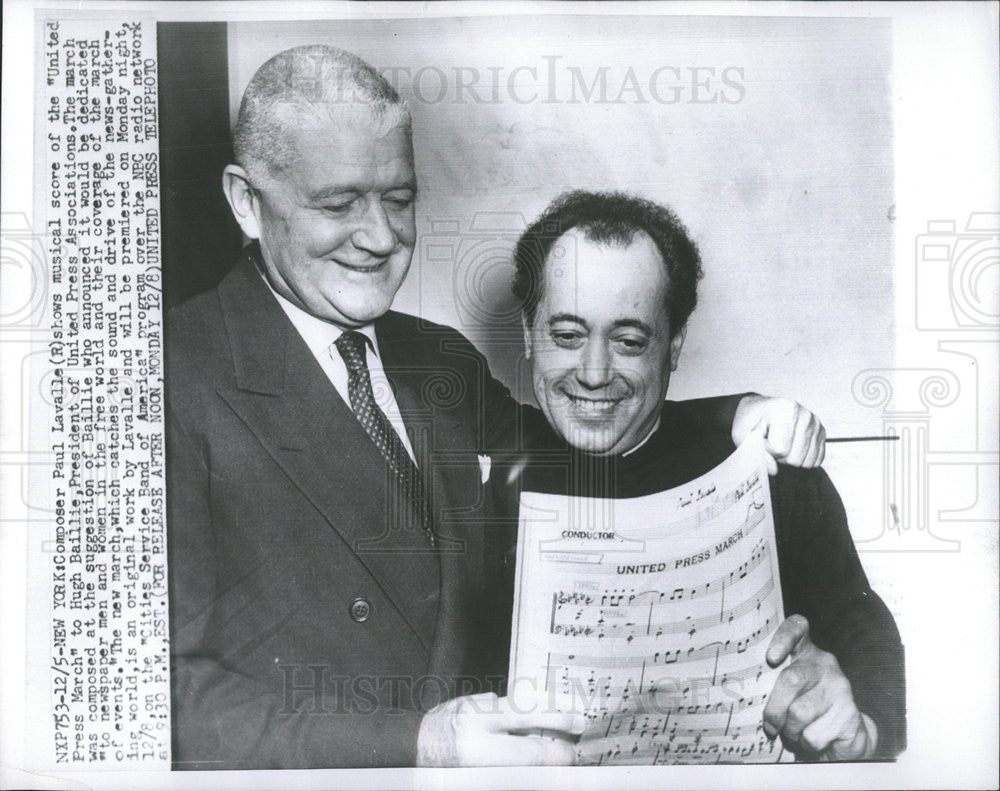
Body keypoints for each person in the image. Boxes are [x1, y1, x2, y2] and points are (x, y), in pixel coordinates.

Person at [166, 45, 828, 769]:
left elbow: (568, 446)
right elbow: (166, 702)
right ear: (245, 201)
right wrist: (418, 743)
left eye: (399, 197)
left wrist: (734, 414)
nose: (383, 237)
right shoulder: (167, 378)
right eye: (339, 203)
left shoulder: (434, 356)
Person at [465, 189, 905, 763]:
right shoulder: (479, 480)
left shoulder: (772, 475)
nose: (594, 374)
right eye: (568, 336)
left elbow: (862, 631)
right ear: (527, 335)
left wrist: (859, 725)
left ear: (672, 345)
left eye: (628, 341)